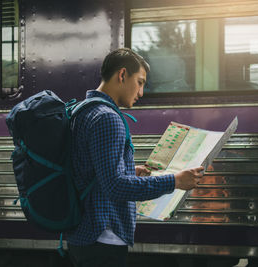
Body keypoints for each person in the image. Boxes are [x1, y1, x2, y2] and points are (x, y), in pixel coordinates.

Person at [66, 48, 204, 267]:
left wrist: (131, 171)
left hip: (84, 235)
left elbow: (93, 170)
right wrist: (175, 181)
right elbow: (116, 186)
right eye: (139, 82)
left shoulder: (83, 111)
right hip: (103, 237)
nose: (141, 93)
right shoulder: (107, 118)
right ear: (122, 75)